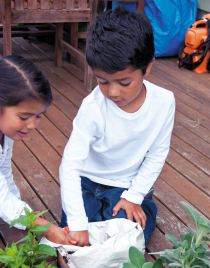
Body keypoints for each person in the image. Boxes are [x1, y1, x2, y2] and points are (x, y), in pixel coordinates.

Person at [60, 7, 175, 246]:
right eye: (102, 82)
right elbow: (70, 165)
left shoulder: (164, 102)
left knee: (130, 234)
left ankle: (143, 205)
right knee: (74, 234)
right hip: (87, 181)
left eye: (124, 82)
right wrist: (79, 224)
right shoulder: (92, 107)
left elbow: (157, 153)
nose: (113, 92)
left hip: (126, 184)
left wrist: (134, 196)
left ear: (148, 66)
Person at [0, 55, 67, 243]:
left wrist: (20, 209)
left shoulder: (6, 132)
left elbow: (3, 171)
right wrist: (39, 225)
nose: (31, 125)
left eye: (38, 116)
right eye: (24, 117)